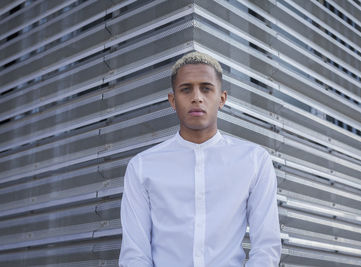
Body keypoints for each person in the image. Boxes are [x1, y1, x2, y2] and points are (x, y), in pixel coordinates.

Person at [119, 52, 281, 267]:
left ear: (221, 99)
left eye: (206, 88)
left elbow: (266, 247)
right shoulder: (142, 166)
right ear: (173, 100)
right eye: (186, 89)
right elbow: (135, 254)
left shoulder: (254, 161)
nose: (197, 97)